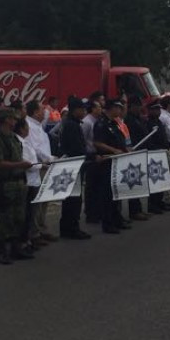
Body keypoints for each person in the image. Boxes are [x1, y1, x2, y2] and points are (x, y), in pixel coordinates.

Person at [0, 109, 34, 264]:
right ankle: (2, 251)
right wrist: (20, 164)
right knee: (4, 218)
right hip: (6, 183)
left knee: (19, 217)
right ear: (7, 119)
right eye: (13, 119)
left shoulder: (14, 138)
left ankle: (16, 248)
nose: (15, 121)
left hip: (19, 182)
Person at [93, 99, 131, 234]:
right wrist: (113, 150)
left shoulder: (115, 123)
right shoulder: (101, 124)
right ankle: (107, 223)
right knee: (108, 194)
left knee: (117, 191)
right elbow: (97, 142)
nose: (120, 111)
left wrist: (125, 149)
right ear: (111, 108)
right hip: (107, 161)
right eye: (118, 108)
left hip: (118, 162)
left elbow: (120, 139)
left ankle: (117, 219)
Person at [25, 101, 59, 243]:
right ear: (34, 112)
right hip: (39, 166)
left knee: (45, 199)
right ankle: (34, 232)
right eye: (42, 110)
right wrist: (49, 159)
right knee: (36, 202)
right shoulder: (29, 126)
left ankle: (41, 227)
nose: (45, 112)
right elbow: (35, 148)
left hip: (46, 165)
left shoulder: (38, 125)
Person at [59, 98, 92, 239]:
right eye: (82, 109)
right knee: (73, 199)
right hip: (73, 165)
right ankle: (71, 228)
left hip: (75, 164)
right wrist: (89, 157)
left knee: (73, 198)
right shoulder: (71, 125)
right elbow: (76, 148)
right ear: (75, 110)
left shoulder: (74, 124)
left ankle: (70, 227)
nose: (84, 112)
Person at [15, 117, 45, 252]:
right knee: (27, 213)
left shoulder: (26, 142)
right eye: (26, 127)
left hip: (34, 179)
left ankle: (29, 239)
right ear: (21, 129)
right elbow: (27, 164)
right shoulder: (19, 143)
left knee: (32, 213)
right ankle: (25, 241)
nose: (28, 129)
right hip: (29, 181)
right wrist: (41, 166)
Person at [123, 97, 153, 221]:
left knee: (139, 182)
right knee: (134, 183)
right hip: (134, 152)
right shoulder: (129, 120)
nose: (140, 108)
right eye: (138, 106)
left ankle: (139, 209)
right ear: (132, 107)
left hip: (141, 152)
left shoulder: (138, 118)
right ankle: (134, 211)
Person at [143, 100, 170, 214]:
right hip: (154, 155)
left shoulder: (159, 121)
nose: (158, 111)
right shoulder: (148, 123)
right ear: (150, 110)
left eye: (159, 109)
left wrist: (169, 145)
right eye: (156, 109)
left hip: (162, 153)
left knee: (162, 179)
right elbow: (149, 141)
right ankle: (153, 204)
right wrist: (157, 149)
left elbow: (163, 137)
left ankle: (160, 201)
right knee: (155, 180)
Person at [81, 100, 103, 224]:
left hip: (98, 155)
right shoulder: (87, 122)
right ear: (93, 109)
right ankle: (90, 213)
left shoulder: (97, 121)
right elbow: (83, 140)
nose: (101, 109)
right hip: (90, 156)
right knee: (91, 186)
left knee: (97, 186)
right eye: (99, 106)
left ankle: (97, 211)